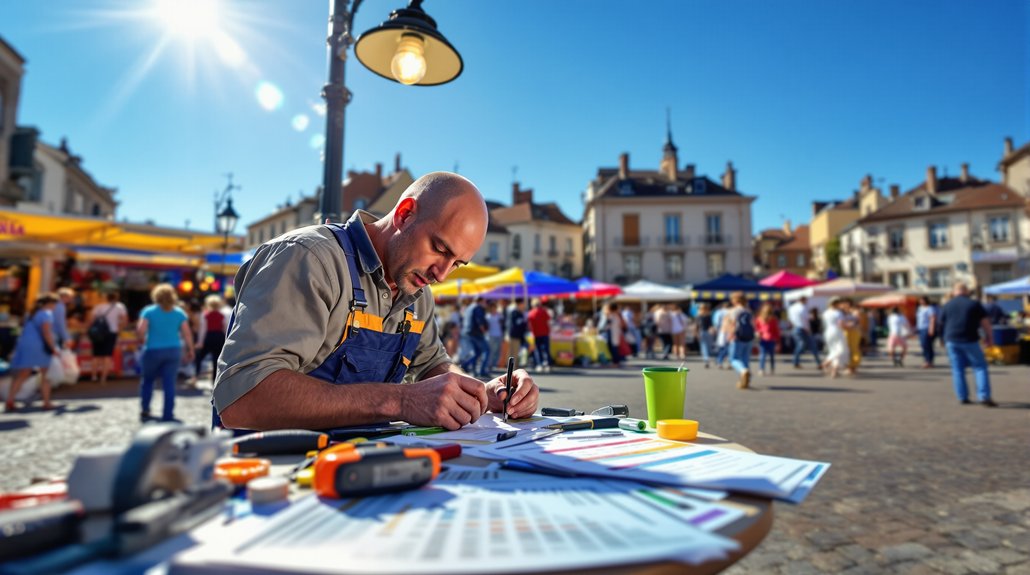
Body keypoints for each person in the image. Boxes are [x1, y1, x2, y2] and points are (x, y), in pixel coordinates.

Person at [213, 172, 539, 431]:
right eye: (440, 250)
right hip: (270, 480)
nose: (441, 275)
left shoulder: (417, 291)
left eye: (457, 264)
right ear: (405, 213)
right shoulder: (310, 259)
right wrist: (400, 402)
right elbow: (243, 398)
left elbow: (431, 366)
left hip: (357, 472)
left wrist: (479, 393)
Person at [137, 284, 194, 422]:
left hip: (152, 350)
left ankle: (145, 409)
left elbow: (141, 330)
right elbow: (187, 333)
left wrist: (142, 341)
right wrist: (190, 349)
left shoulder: (148, 311)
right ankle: (168, 414)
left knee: (148, 381)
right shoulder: (179, 312)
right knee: (169, 383)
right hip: (173, 351)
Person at [938, 283, 995, 406]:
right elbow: (985, 323)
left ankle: (962, 397)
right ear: (967, 291)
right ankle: (984, 396)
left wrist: (941, 339)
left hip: (951, 340)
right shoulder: (974, 304)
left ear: (954, 291)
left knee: (957, 369)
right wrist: (989, 337)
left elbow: (941, 324)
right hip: (970, 339)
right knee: (980, 367)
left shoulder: (947, 305)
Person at [4, 293, 59, 412]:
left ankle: (10, 399)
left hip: (25, 344)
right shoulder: (46, 314)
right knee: (46, 374)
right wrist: (53, 348)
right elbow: (46, 332)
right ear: (50, 304)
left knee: (23, 373)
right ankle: (46, 402)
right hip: (40, 346)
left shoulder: (31, 313)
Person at [88, 292, 128, 384]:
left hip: (98, 333)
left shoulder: (99, 306)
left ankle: (93, 376)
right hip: (112, 332)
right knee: (108, 355)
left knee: (96, 355)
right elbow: (125, 320)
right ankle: (103, 378)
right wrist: (119, 328)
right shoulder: (120, 307)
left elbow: (91, 319)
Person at [194, 295, 227, 384]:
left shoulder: (206, 315)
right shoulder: (222, 315)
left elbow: (203, 330)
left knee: (199, 357)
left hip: (209, 337)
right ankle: (214, 381)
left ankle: (196, 375)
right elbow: (225, 328)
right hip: (219, 337)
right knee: (216, 360)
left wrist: (200, 342)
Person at [726, 292, 754, 389]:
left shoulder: (733, 311)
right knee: (745, 358)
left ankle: (743, 371)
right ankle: (745, 381)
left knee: (733, 359)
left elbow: (732, 324)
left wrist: (730, 335)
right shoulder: (748, 311)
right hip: (749, 337)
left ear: (735, 300)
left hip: (737, 337)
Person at [460, 297, 490, 378]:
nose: (486, 304)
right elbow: (479, 321)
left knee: (476, 352)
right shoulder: (478, 308)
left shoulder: (469, 307)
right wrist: (484, 331)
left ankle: (466, 366)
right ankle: (482, 371)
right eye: (485, 301)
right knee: (486, 350)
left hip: (468, 332)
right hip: (476, 333)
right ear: (481, 301)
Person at [789, 296, 821, 368]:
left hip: (796, 328)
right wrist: (808, 329)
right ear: (803, 300)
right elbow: (805, 320)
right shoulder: (803, 308)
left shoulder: (792, 308)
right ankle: (818, 362)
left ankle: (796, 362)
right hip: (803, 329)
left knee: (800, 345)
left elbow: (791, 319)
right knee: (811, 346)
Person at [821, 297, 848, 378]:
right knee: (841, 350)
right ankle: (827, 362)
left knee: (833, 350)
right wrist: (849, 326)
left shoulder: (825, 313)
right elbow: (841, 324)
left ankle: (834, 371)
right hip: (837, 331)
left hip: (828, 332)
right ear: (836, 304)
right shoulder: (838, 313)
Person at [527, 299, 552, 373]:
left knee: (537, 350)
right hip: (545, 333)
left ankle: (539, 364)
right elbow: (548, 321)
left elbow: (529, 325)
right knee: (546, 350)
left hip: (536, 334)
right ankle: (548, 365)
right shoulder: (544, 311)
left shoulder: (531, 313)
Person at [755, 303, 780, 376]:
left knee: (763, 355)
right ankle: (771, 368)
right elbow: (776, 330)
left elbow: (757, 328)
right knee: (770, 355)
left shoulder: (759, 319)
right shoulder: (773, 319)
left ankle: (761, 369)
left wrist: (758, 332)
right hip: (770, 339)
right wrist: (778, 340)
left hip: (763, 339)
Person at [601, 302, 626, 367]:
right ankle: (616, 361)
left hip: (612, 333)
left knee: (613, 348)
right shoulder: (618, 315)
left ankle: (615, 362)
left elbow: (607, 325)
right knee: (615, 348)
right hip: (617, 333)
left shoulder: (611, 315)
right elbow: (621, 325)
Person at [505, 300, 529, 367]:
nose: (524, 306)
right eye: (522, 304)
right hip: (514, 335)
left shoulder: (520, 313)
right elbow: (514, 325)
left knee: (515, 352)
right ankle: (512, 367)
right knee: (513, 352)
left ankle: (513, 366)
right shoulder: (514, 313)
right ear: (519, 304)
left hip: (518, 335)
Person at [842, 299, 862, 374]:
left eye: (844, 303)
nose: (843, 305)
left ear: (849, 304)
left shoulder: (855, 312)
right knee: (848, 349)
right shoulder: (847, 312)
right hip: (848, 331)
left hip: (853, 332)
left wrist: (848, 325)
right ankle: (851, 367)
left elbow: (856, 322)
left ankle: (853, 366)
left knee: (853, 349)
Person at [484, 301, 504, 377]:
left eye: (495, 308)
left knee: (497, 350)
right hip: (491, 335)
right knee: (491, 350)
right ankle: (489, 364)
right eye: (492, 308)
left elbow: (502, 324)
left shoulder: (499, 315)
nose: (494, 309)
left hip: (499, 334)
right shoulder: (488, 316)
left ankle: (493, 363)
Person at [916, 296, 937, 368]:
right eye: (920, 300)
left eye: (922, 300)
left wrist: (931, 329)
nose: (921, 302)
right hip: (920, 328)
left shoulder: (930, 308)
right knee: (924, 345)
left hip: (926, 328)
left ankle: (928, 361)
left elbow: (932, 318)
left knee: (926, 345)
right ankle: (928, 360)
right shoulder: (919, 308)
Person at [696, 303, 715, 368]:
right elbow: (711, 325)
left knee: (703, 346)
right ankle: (707, 357)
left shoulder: (698, 316)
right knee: (708, 346)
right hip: (708, 332)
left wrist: (696, 333)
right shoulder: (708, 315)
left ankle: (706, 359)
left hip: (701, 332)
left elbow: (697, 326)